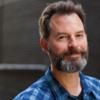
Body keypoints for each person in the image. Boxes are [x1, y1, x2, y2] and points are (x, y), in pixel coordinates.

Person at [14, 0, 100, 100]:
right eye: (62, 37)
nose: (74, 44)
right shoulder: (30, 98)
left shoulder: (97, 89)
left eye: (79, 35)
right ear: (44, 45)